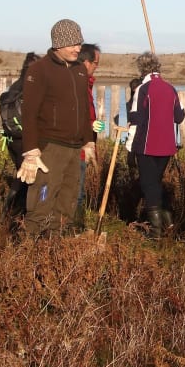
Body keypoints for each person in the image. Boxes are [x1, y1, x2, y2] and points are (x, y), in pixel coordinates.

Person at [18, 19, 97, 237]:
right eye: (72, 44)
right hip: (49, 149)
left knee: (67, 202)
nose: (77, 48)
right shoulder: (39, 70)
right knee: (42, 201)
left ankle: (56, 250)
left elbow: (83, 109)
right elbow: (29, 113)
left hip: (74, 149)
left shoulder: (80, 71)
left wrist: (88, 140)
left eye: (79, 43)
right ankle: (29, 252)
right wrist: (31, 151)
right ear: (58, 44)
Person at [129, 52, 185, 238]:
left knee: (149, 184)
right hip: (167, 146)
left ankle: (155, 232)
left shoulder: (142, 89)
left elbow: (135, 118)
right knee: (155, 183)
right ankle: (167, 224)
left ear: (141, 69)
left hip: (146, 145)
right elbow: (180, 117)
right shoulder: (171, 88)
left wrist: (129, 145)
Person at [2, 51, 40, 220]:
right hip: (27, 139)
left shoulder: (15, 86)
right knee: (30, 179)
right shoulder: (31, 86)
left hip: (12, 140)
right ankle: (22, 215)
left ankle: (8, 212)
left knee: (21, 174)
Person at [75, 43, 105, 230]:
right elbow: (70, 116)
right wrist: (89, 125)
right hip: (76, 148)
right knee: (76, 192)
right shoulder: (77, 85)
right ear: (85, 62)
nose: (96, 67)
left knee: (78, 190)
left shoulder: (86, 85)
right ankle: (74, 229)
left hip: (85, 146)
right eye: (95, 63)